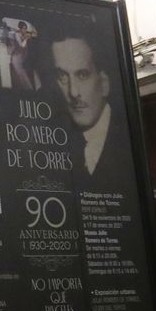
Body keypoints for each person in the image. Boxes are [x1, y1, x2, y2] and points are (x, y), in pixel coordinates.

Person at [48, 27, 128, 191]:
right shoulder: (53, 144)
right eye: (62, 76)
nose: (73, 92)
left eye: (82, 75)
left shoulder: (128, 138)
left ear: (104, 83)